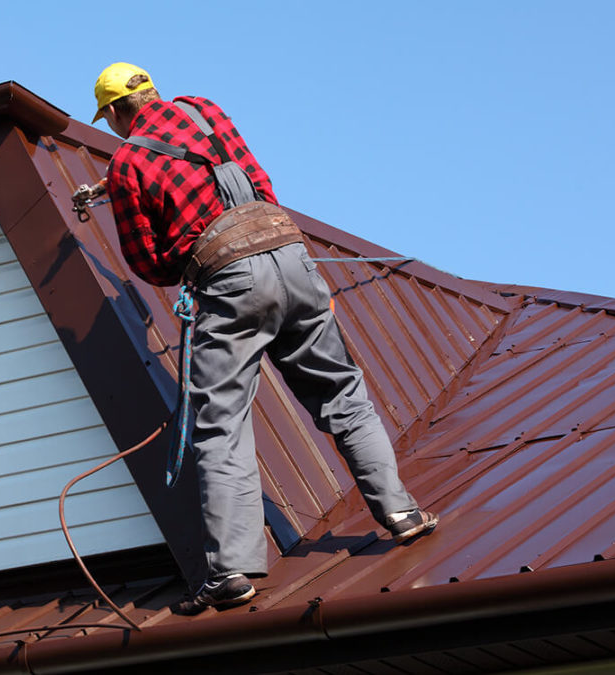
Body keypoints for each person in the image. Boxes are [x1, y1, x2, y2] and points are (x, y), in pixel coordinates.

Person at [91, 63, 438, 613]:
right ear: (152, 90)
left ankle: (232, 571)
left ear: (113, 112)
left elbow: (147, 262)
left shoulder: (128, 161)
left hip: (230, 281)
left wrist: (188, 253)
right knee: (341, 392)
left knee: (221, 424)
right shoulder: (204, 110)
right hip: (292, 256)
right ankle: (402, 512)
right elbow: (258, 185)